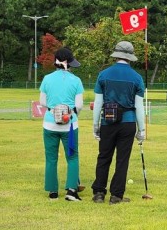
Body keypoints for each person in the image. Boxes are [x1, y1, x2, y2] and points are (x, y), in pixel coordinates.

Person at [91, 41, 146, 205]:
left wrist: (95, 125)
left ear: (116, 55)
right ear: (130, 57)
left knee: (104, 156)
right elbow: (139, 106)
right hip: (128, 122)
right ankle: (116, 195)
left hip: (107, 121)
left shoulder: (103, 74)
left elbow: (98, 102)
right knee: (122, 159)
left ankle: (99, 193)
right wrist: (141, 130)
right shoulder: (137, 77)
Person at [39, 47, 84, 201]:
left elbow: (42, 102)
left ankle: (52, 192)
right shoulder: (76, 81)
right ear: (67, 63)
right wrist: (71, 115)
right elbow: (78, 105)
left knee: (51, 158)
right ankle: (71, 190)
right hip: (70, 126)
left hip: (49, 124)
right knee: (72, 157)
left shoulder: (47, 79)